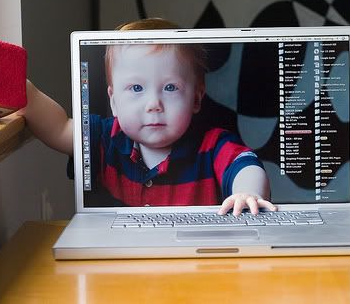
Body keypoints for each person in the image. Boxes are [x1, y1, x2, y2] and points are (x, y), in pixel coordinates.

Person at [20, 17, 276, 216]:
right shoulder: (104, 138)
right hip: (122, 258)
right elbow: (59, 127)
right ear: (114, 101)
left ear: (196, 98)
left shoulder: (213, 146)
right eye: (137, 88)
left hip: (195, 258)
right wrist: (23, 91)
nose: (154, 104)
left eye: (170, 88)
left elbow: (246, 165)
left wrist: (247, 192)